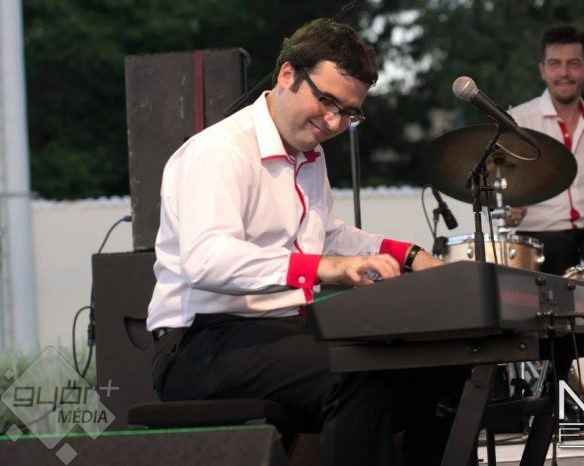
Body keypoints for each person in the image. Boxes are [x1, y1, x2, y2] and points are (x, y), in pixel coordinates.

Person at [146, 18, 451, 465]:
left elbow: (325, 234)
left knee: (436, 371)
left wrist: (408, 256)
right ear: (287, 74)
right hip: (198, 343)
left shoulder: (309, 155)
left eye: (349, 112)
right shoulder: (219, 152)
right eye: (326, 100)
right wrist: (323, 267)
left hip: (279, 332)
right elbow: (207, 260)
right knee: (362, 372)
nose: (334, 121)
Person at [506, 24, 584, 274]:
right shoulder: (518, 121)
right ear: (542, 70)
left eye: (573, 64)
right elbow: (498, 191)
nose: (564, 73)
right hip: (539, 237)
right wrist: (507, 210)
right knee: (561, 247)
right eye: (555, 64)